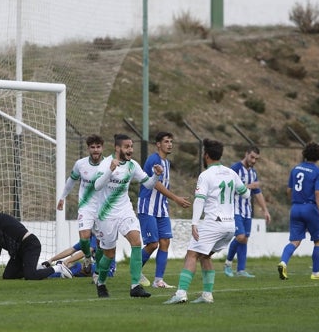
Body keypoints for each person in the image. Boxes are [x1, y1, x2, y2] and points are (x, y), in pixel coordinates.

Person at [165, 138, 250, 305]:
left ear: (206, 155)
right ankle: (207, 295)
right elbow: (246, 194)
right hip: (230, 225)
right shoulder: (231, 173)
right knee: (205, 256)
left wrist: (194, 224)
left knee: (191, 254)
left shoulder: (205, 175)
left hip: (214, 223)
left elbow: (200, 200)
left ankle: (181, 293)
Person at [92, 133, 164, 298]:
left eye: (131, 146)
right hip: (106, 214)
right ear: (117, 148)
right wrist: (110, 171)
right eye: (127, 147)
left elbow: (148, 184)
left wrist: (156, 175)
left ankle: (135, 286)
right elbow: (96, 186)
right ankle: (101, 283)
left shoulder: (132, 165)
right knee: (109, 254)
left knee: (136, 241)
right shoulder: (105, 164)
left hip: (125, 210)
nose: (130, 149)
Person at [136, 131, 191, 288]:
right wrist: (176, 198)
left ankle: (158, 280)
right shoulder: (154, 160)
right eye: (166, 141)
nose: (170, 144)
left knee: (165, 242)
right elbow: (156, 184)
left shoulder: (166, 163)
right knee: (152, 244)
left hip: (161, 208)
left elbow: (165, 185)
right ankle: (135, 271)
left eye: (171, 141)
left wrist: (170, 199)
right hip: (148, 207)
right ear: (158, 144)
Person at [0, 211, 73, 280]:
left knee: (30, 276)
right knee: (8, 276)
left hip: (29, 244)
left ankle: (58, 268)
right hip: (18, 253)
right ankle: (40, 267)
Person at [277, 141, 319, 280]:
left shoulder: (295, 169)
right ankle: (316, 273)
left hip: (296, 207)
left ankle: (283, 262)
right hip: (310, 208)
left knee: (294, 241)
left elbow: (289, 190)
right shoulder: (318, 172)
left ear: (305, 153)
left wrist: (296, 201)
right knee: (318, 240)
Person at [57, 134, 106, 274]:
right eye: (92, 147)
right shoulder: (80, 164)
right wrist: (62, 197)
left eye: (98, 147)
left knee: (100, 243)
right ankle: (88, 257)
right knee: (84, 238)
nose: (95, 150)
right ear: (88, 149)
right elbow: (71, 180)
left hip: (103, 208)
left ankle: (98, 274)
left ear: (102, 148)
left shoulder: (109, 164)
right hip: (86, 206)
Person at [224, 145, 271, 278]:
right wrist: (250, 185)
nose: (254, 161)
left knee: (244, 239)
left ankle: (241, 270)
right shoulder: (235, 169)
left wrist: (265, 210)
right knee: (240, 236)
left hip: (247, 211)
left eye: (256, 159)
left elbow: (257, 193)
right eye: (252, 157)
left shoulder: (253, 173)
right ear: (246, 154)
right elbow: (228, 188)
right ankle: (228, 264)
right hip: (234, 209)